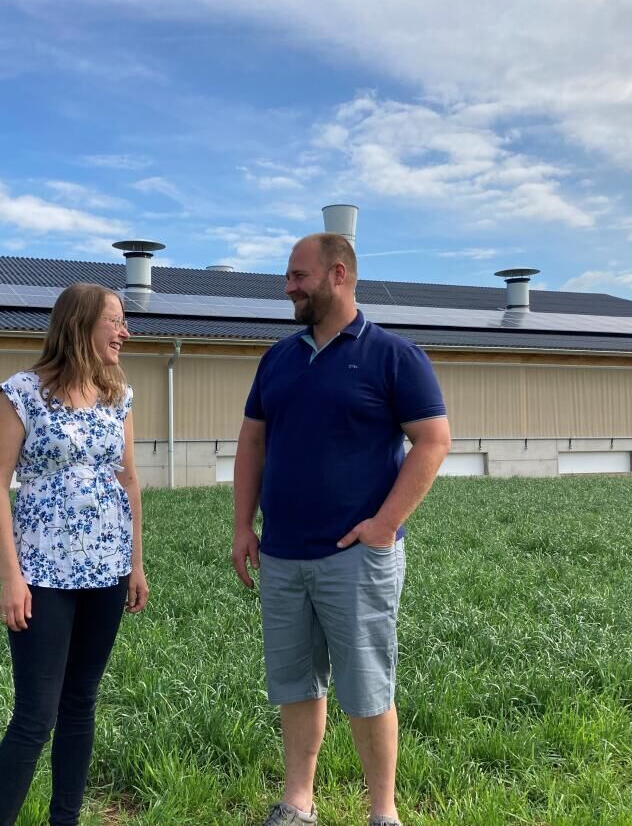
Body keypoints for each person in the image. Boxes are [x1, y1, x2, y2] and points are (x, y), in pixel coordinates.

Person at [231, 234, 451, 826]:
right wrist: (243, 526)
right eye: (288, 277)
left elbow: (433, 441)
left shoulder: (393, 356)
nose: (288, 287)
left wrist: (385, 525)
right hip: (282, 555)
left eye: (298, 276)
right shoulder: (278, 358)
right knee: (295, 684)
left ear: (338, 274)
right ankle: (298, 801)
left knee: (367, 687)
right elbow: (252, 443)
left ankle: (383, 812)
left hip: (356, 557)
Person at [0, 282, 148, 826]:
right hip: (42, 574)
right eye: (115, 321)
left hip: (107, 569)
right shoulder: (21, 393)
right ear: (80, 324)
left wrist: (136, 564)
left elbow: (128, 479)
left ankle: (65, 820)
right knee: (35, 716)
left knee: (81, 703)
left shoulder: (118, 396)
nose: (125, 332)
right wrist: (11, 577)